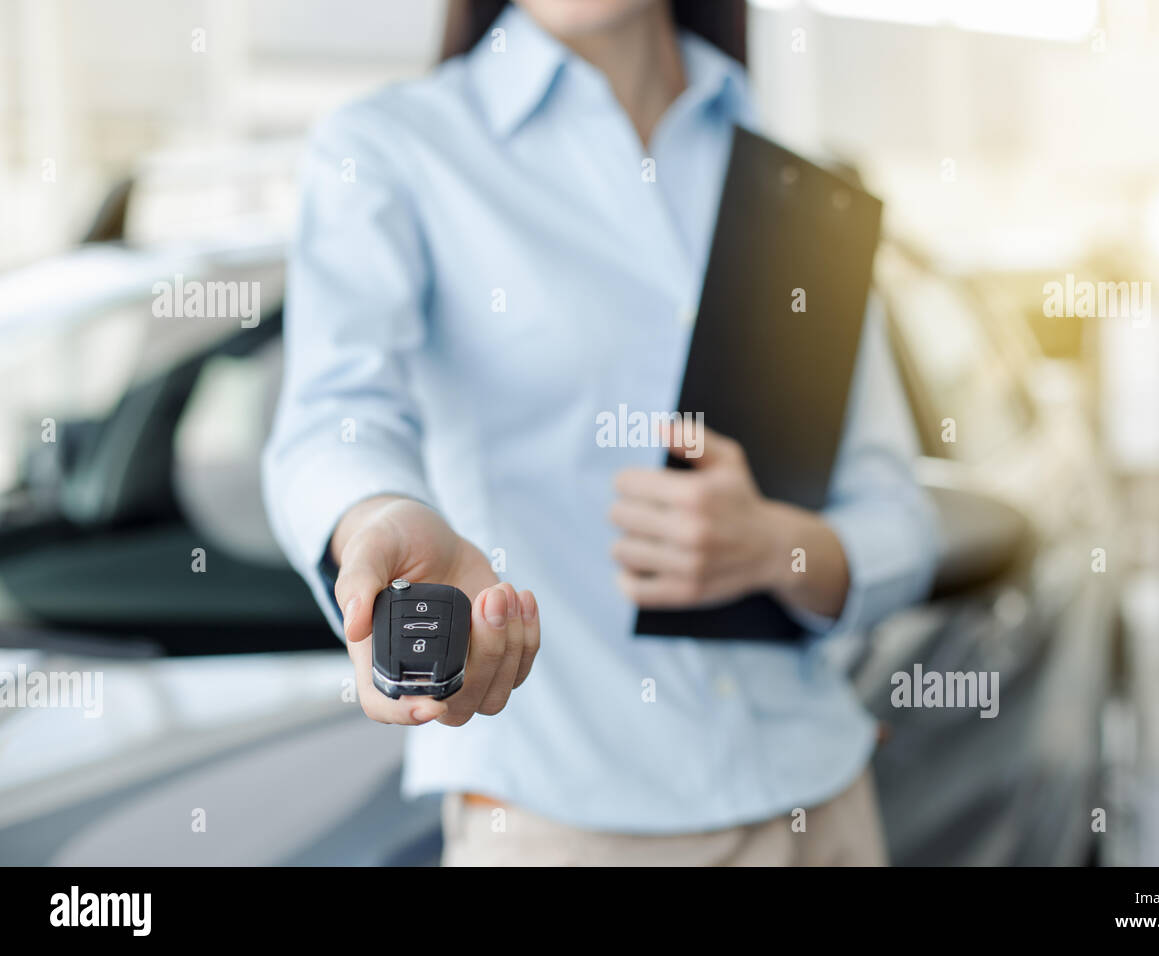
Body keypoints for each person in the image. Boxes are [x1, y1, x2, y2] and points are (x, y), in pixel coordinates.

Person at [262, 0, 939, 866]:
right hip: (563, 824)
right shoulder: (394, 150)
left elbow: (899, 519)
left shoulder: (801, 182)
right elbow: (333, 417)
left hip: (822, 810)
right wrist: (373, 516)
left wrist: (779, 549)